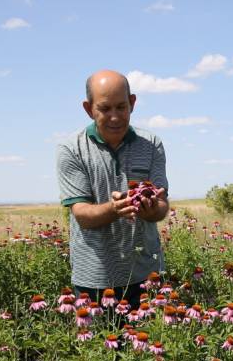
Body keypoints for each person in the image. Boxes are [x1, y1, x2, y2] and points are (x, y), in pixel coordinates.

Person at [56, 70, 169, 312]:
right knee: (96, 347)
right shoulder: (71, 149)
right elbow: (83, 215)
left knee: (149, 347)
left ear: (132, 103)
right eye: (105, 109)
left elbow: (161, 207)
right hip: (93, 278)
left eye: (121, 107)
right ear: (89, 109)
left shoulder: (151, 144)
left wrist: (149, 208)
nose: (115, 117)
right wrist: (116, 208)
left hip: (145, 274)